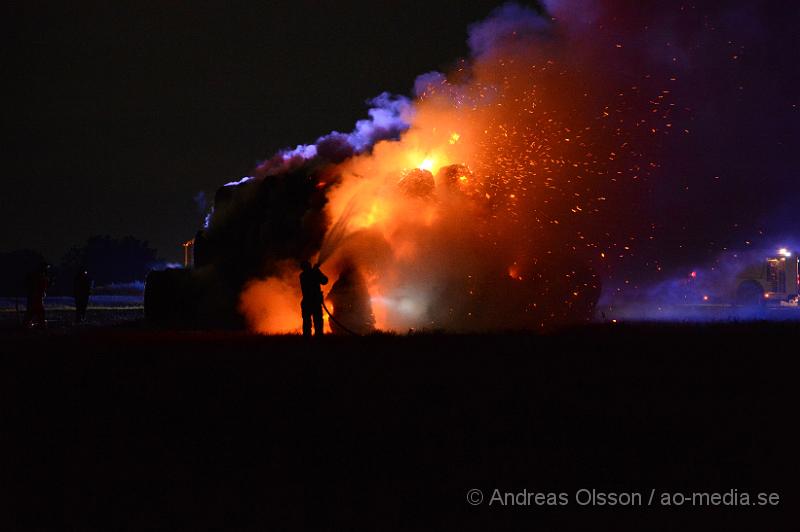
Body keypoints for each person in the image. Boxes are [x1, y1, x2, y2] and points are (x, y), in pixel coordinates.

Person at [299, 261, 328, 337]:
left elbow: (324, 281)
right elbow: (325, 280)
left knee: (307, 321)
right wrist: (317, 271)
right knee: (317, 320)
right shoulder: (311, 274)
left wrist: (316, 271)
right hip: (314, 301)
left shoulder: (302, 275)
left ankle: (307, 338)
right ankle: (318, 337)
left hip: (306, 301)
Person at [24, 263, 49, 328]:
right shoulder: (39, 276)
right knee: (37, 310)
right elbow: (41, 286)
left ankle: (29, 322)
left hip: (35, 296)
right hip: (36, 296)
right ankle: (40, 323)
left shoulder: (38, 276)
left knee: (33, 310)